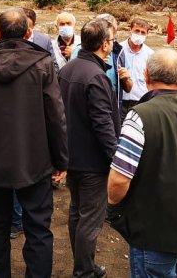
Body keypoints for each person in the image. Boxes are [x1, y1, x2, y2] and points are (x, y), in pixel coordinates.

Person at [0, 8, 68, 278]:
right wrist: (60, 159)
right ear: (29, 33)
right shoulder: (43, 64)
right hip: (35, 162)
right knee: (38, 229)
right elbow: (56, 117)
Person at [107, 49, 177, 278]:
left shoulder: (139, 115)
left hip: (152, 235)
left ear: (146, 76)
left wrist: (113, 207)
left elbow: (119, 179)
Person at [59, 18, 120, 278]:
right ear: (105, 44)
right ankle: (84, 270)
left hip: (70, 155)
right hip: (92, 162)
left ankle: (83, 265)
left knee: (77, 212)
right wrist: (117, 159)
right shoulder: (95, 76)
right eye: (112, 40)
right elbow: (103, 124)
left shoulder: (68, 69)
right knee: (90, 218)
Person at [118, 18, 154, 119]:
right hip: (121, 99)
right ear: (130, 30)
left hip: (141, 101)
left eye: (143, 32)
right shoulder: (119, 50)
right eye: (137, 31)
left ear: (147, 34)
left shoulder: (150, 54)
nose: (139, 34)